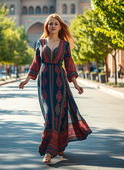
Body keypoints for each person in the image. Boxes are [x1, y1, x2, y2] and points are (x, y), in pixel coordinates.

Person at [19, 14, 92, 164]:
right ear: (47, 26)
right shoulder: (40, 43)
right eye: (50, 24)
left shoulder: (64, 45)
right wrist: (26, 80)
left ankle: (52, 149)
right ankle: (51, 149)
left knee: (59, 114)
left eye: (55, 24)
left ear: (60, 27)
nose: (52, 26)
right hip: (44, 82)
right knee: (50, 114)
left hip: (60, 82)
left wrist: (76, 84)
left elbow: (70, 65)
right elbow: (35, 64)